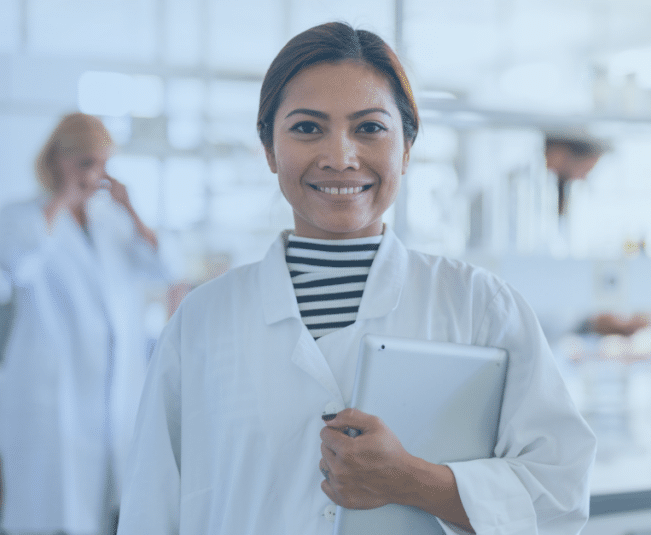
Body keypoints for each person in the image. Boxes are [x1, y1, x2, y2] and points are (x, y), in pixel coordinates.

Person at [117, 22, 596, 535]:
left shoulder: (479, 304)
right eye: (306, 128)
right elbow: (150, 507)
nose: (340, 157)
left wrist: (414, 481)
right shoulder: (203, 321)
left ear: (406, 148)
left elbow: (560, 498)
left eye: (369, 128)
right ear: (270, 150)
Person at [0, 113, 164, 535]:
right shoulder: (24, 216)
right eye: (85, 163)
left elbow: (164, 267)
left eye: (103, 164)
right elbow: (19, 266)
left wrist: (132, 208)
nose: (95, 175)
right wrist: (61, 201)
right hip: (51, 385)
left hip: (109, 385)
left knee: (105, 500)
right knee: (47, 503)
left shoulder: (112, 221)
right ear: (57, 160)